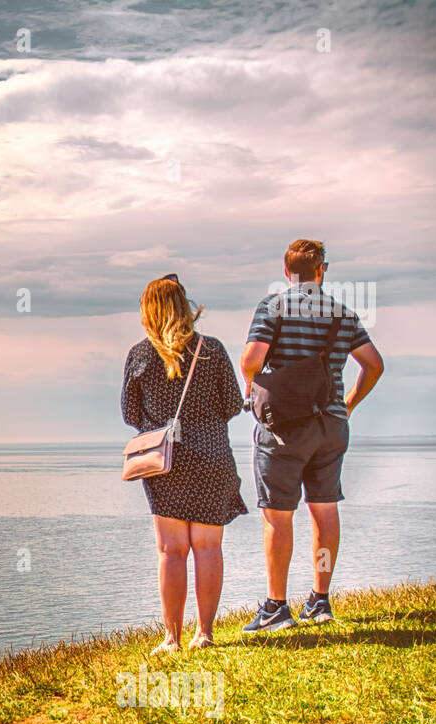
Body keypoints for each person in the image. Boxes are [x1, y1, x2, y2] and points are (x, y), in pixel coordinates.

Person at [239, 239, 385, 631]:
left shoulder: (273, 307)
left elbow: (252, 360)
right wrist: (349, 403)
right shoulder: (342, 313)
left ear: (286, 272)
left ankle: (276, 607)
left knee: (278, 515)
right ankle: (319, 601)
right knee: (324, 508)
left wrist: (258, 388)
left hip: (285, 429)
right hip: (332, 427)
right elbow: (373, 364)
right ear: (322, 270)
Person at [122, 274, 248, 655]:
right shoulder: (212, 349)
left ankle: (172, 639)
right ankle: (205, 633)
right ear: (184, 306)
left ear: (149, 311)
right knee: (207, 547)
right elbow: (232, 404)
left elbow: (130, 414)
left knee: (171, 551)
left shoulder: (140, 355)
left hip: (165, 462)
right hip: (212, 455)